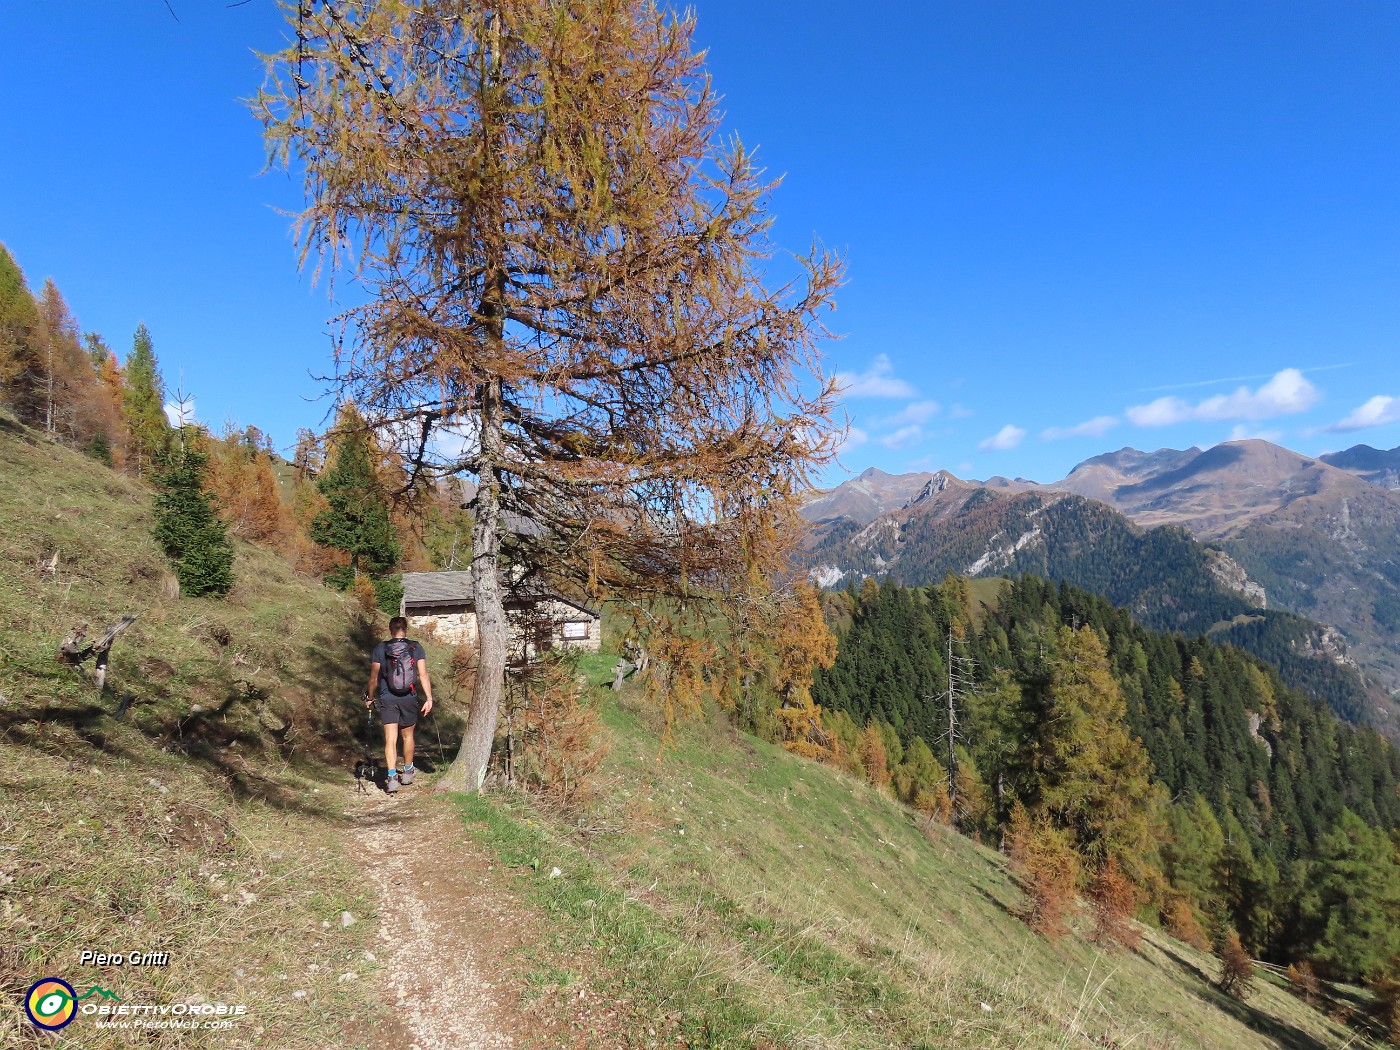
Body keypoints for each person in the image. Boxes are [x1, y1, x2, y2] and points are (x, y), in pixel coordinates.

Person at [365, 616, 435, 794]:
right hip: (408, 697)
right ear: (406, 629)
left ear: (390, 630)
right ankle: (408, 770)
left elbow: (374, 678)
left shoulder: (381, 648)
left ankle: (391, 776)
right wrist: (429, 698)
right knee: (407, 736)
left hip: (387, 698)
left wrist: (370, 697)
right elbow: (423, 674)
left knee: (390, 739)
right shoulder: (416, 648)